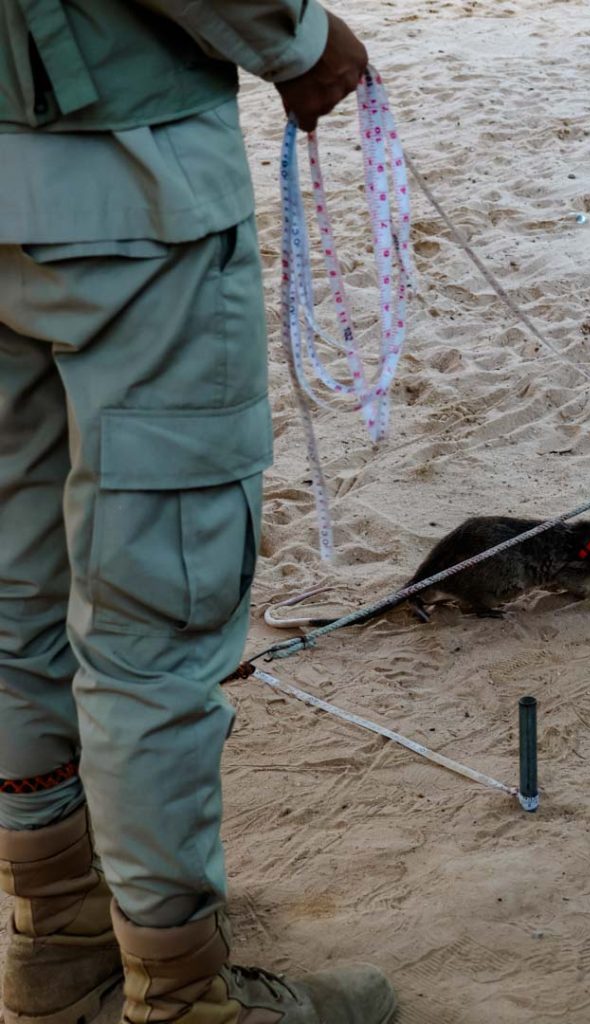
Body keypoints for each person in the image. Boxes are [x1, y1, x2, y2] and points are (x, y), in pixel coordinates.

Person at [0, 2, 396, 1022]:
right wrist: (299, 42)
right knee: (154, 619)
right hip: (125, 191)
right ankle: (180, 994)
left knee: (15, 592)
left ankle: (58, 942)